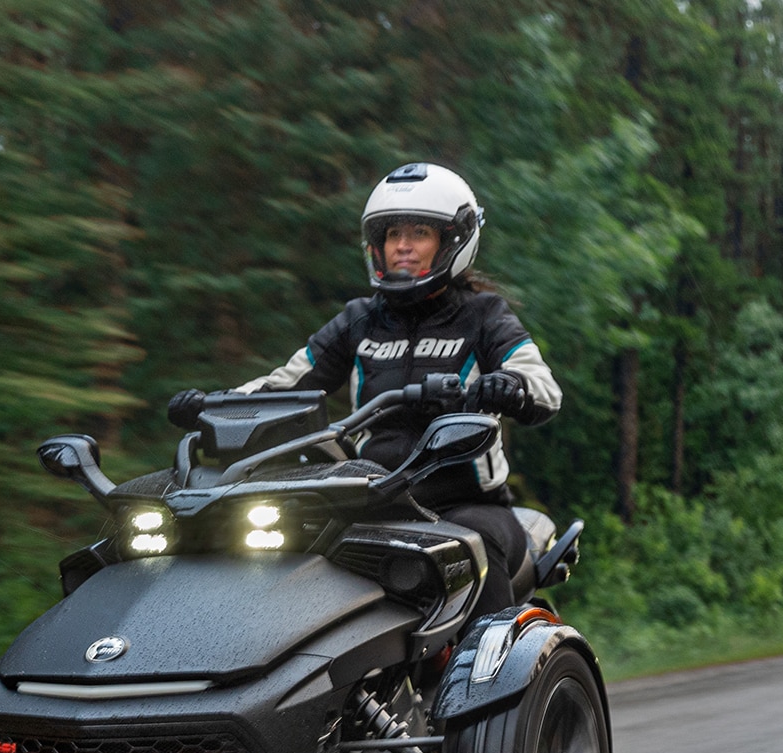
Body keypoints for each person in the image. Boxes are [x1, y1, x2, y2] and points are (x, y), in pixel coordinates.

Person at [168, 162, 562, 620]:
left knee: (475, 548)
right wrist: (217, 406)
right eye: (393, 235)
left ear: (453, 241)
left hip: (466, 503)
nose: (402, 247)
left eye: (419, 234)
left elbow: (543, 386)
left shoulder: (483, 314)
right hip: (371, 501)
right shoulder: (360, 318)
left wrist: (510, 386)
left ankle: (492, 683)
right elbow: (286, 383)